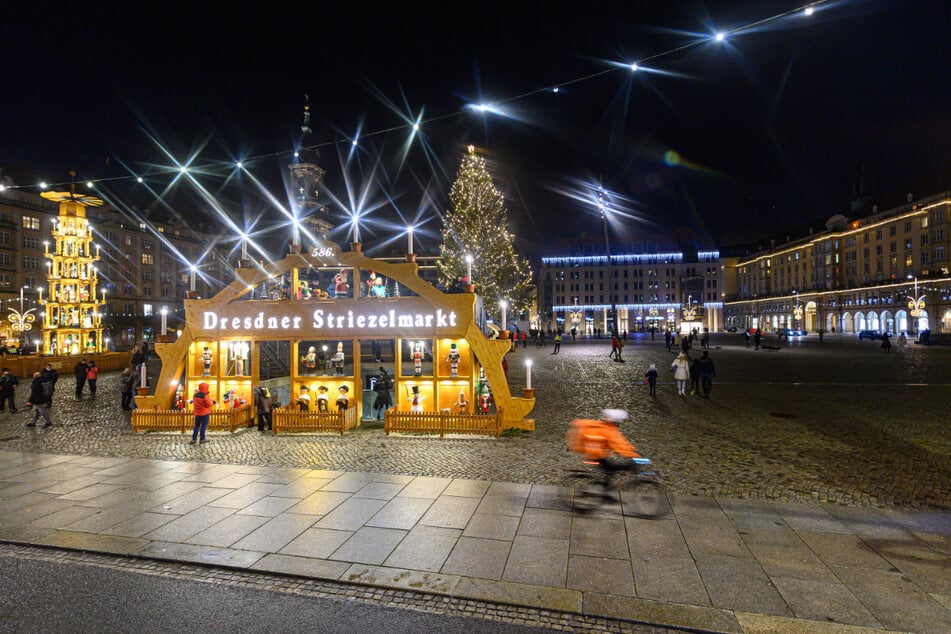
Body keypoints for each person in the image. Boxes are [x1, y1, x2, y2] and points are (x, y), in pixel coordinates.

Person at [566, 409, 642, 491]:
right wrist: (633, 455)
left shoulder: (598, 426)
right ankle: (605, 492)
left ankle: (605, 487)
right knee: (614, 467)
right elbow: (619, 445)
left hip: (592, 454)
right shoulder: (608, 430)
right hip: (597, 456)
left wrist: (631, 449)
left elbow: (617, 443)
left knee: (609, 470)